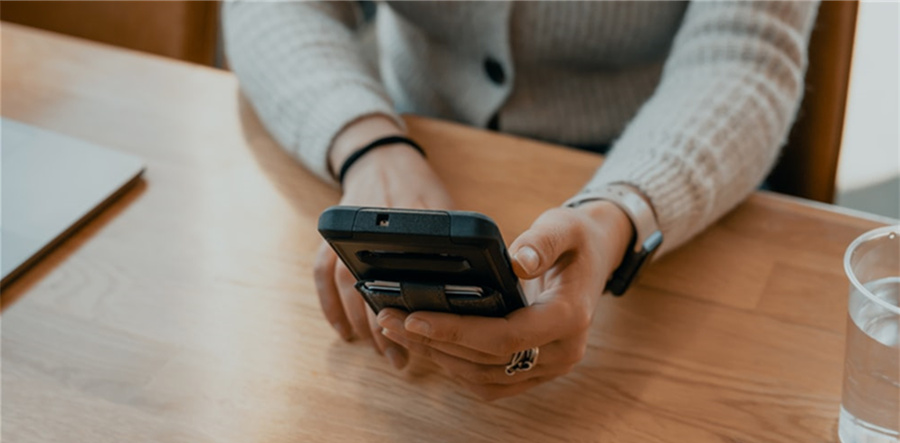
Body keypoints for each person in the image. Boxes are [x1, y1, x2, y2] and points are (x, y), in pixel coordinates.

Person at [223, 1, 819, 400]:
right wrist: (366, 142)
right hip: (408, 125)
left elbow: (745, 54)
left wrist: (622, 211)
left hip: (668, 166)